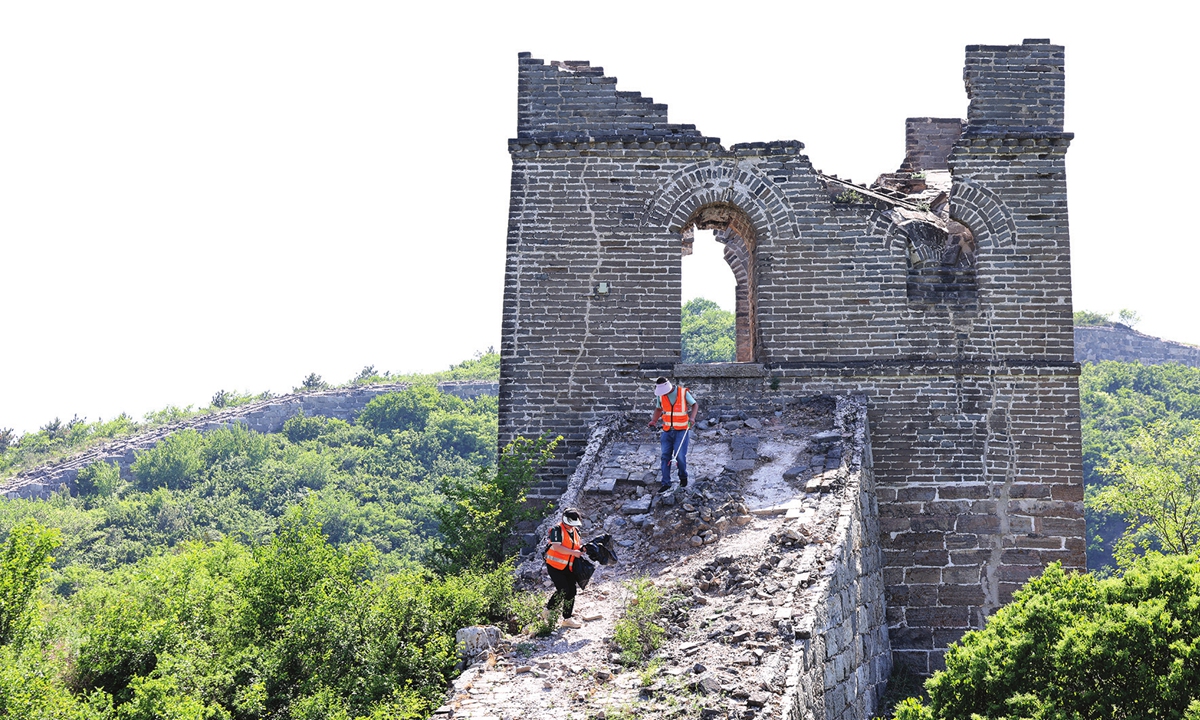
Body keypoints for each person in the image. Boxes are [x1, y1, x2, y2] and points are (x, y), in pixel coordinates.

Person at [648, 376, 698, 492]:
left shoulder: (682, 392)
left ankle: (683, 476)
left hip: (682, 430)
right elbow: (658, 409)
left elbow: (695, 405)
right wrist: (654, 420)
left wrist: (692, 418)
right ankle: (666, 483)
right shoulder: (661, 395)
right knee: (665, 456)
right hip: (667, 430)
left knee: (680, 456)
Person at [542, 507, 586, 628]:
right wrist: (574, 553)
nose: (572, 526)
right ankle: (548, 611)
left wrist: (583, 550)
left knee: (572, 591)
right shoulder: (557, 530)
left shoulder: (576, 531)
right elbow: (557, 547)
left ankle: (567, 618)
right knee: (563, 590)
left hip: (569, 567)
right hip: (555, 566)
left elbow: (576, 546)